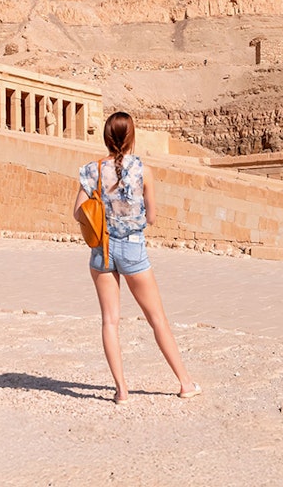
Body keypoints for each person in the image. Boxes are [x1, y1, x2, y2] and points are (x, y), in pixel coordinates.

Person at [72, 111, 200, 405]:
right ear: (131, 138)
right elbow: (152, 217)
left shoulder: (91, 170)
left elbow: (78, 212)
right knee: (157, 319)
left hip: (101, 249)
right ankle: (185, 382)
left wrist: (102, 210)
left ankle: (121, 390)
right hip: (132, 247)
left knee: (110, 321)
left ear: (106, 137)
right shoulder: (143, 170)